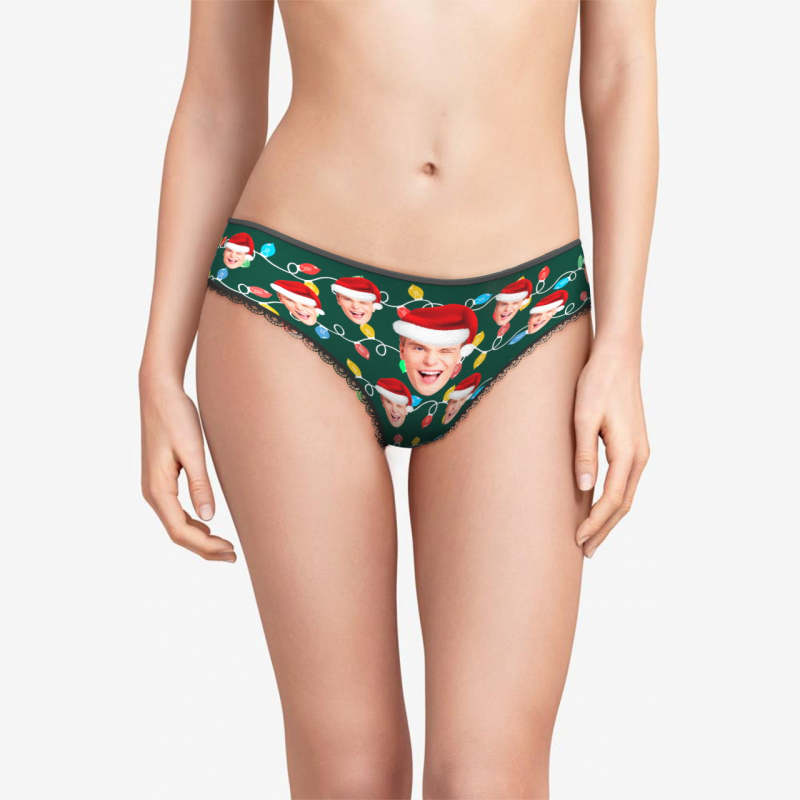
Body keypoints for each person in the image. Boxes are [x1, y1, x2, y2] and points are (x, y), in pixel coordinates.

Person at [139, 2, 656, 796]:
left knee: (491, 778)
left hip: (528, 315)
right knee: (350, 773)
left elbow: (621, 68)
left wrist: (621, 342)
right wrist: (158, 368)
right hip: (293, 298)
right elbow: (218, 98)